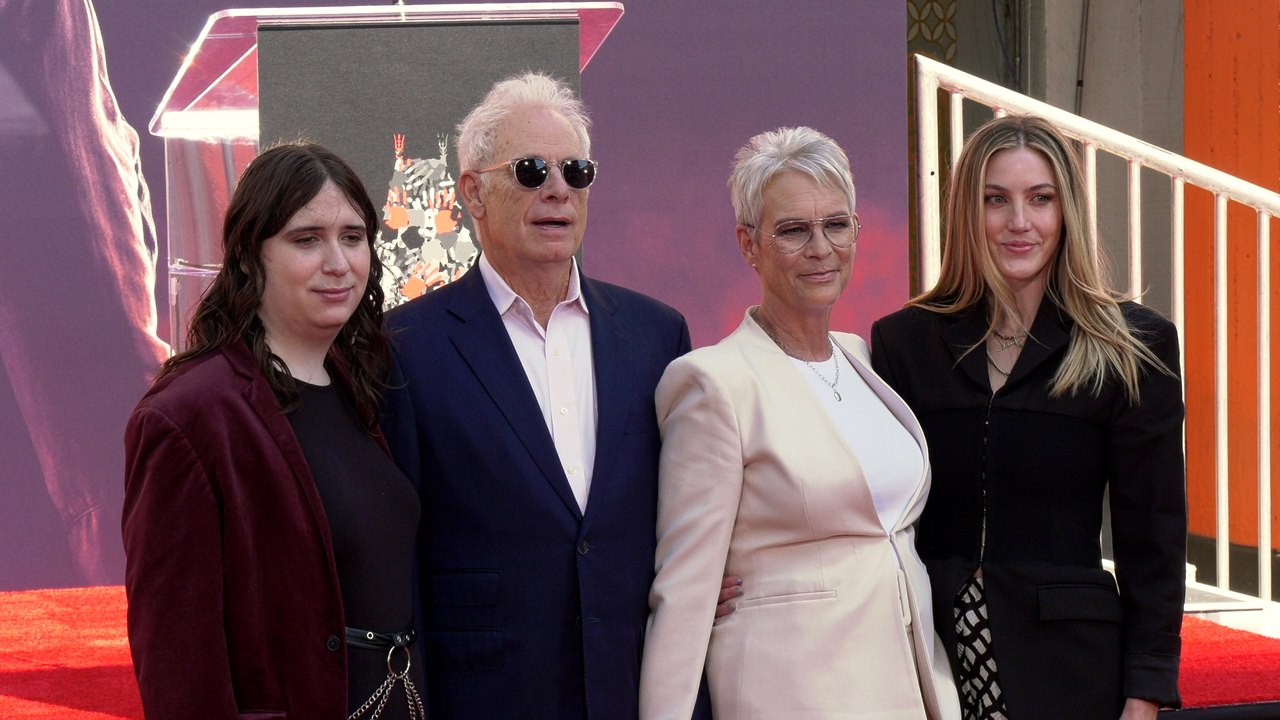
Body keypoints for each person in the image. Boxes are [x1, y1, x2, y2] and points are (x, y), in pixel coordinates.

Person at [380, 72, 698, 720]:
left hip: (633, 692)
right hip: (486, 696)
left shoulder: (655, 334)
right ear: (473, 192)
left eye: (576, 172)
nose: (558, 190)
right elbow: (397, 560)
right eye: (531, 171)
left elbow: (685, 521)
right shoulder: (406, 346)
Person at [870, 115, 1186, 719]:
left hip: (1071, 670)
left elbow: (1154, 532)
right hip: (929, 665)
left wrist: (1145, 692)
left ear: (1066, 211)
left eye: (1040, 199)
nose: (1020, 222)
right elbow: (876, 513)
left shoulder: (1132, 345)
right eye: (996, 200)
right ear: (968, 213)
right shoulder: (904, 343)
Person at [640, 126, 961, 719]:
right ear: (749, 244)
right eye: (793, 230)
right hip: (789, 693)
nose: (821, 248)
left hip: (906, 686)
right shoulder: (713, 382)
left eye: (837, 225)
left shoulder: (861, 357)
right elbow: (684, 590)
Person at [123, 143, 425, 719]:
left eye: (353, 237)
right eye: (306, 239)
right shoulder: (189, 416)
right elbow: (177, 666)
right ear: (249, 255)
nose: (338, 262)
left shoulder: (366, 387)